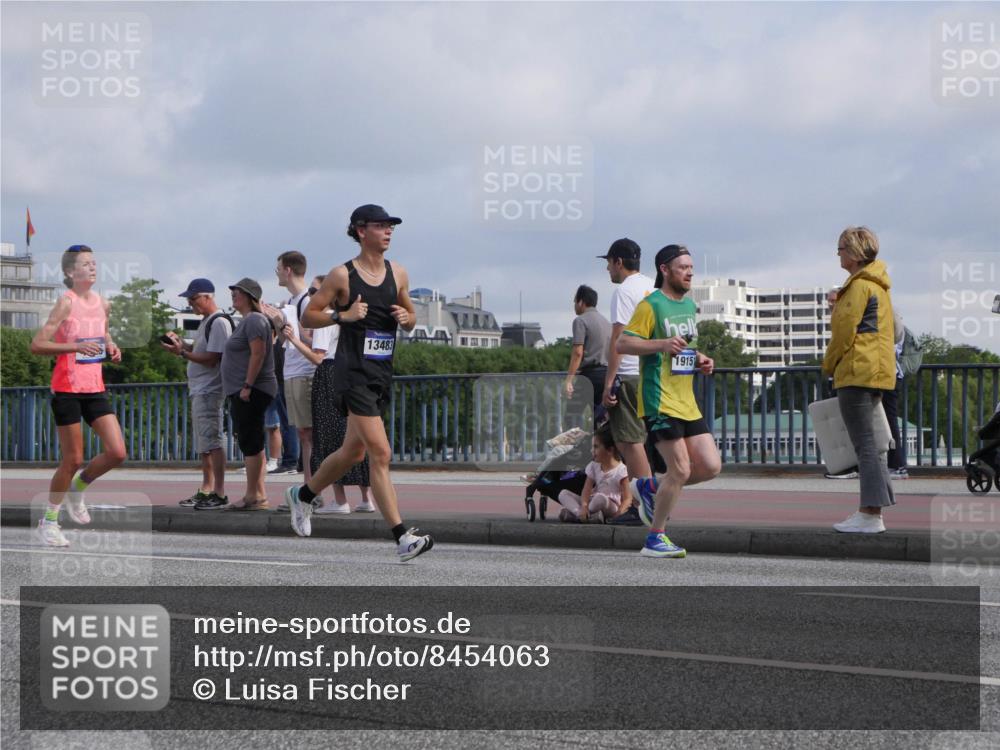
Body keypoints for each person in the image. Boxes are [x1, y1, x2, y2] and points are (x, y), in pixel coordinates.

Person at [287, 204, 433, 561]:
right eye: (381, 225)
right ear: (360, 230)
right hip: (351, 375)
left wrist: (407, 317)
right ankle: (402, 537)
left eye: (391, 226)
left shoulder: (398, 273)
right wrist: (343, 315)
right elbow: (309, 314)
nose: (388, 231)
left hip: (381, 373)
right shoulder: (342, 275)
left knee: (352, 451)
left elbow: (412, 316)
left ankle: (303, 495)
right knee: (380, 453)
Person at [618, 244, 721, 558]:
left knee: (710, 466)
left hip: (685, 399)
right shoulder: (652, 305)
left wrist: (700, 358)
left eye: (691, 267)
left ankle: (649, 487)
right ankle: (655, 537)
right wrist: (661, 343)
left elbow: (682, 348)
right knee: (679, 470)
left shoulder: (688, 307)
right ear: (664, 269)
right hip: (658, 398)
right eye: (683, 267)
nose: (689, 272)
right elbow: (623, 342)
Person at [30, 245, 127, 547]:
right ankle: (49, 521)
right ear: (71, 272)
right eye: (86, 264)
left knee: (117, 452)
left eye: (94, 263)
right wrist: (73, 347)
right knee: (72, 459)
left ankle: (78, 488)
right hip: (67, 389)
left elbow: (103, 334)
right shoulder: (65, 303)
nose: (93, 267)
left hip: (94, 387)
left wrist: (111, 347)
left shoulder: (103, 303)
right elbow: (38, 344)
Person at [822, 226, 897, 533]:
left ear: (853, 253)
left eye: (840, 249)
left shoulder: (858, 287)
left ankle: (869, 513)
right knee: (874, 445)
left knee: (864, 445)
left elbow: (843, 334)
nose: (838, 254)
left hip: (856, 372)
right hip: (877, 371)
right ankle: (875, 509)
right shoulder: (879, 286)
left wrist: (828, 365)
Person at [285, 276, 376, 515]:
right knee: (355, 437)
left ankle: (339, 499)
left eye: (316, 290)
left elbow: (318, 356)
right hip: (352, 373)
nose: (313, 295)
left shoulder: (326, 316)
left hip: (329, 376)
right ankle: (367, 498)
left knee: (328, 437)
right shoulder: (352, 316)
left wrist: (293, 338)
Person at [162, 278, 233, 509]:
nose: (191, 304)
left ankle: (218, 491)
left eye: (193, 299)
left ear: (208, 297)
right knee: (204, 443)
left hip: (210, 389)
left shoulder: (219, 322)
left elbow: (213, 359)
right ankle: (207, 487)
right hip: (200, 389)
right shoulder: (207, 322)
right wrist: (182, 345)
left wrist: (182, 353)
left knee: (212, 441)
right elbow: (202, 351)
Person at [598, 238, 654, 525]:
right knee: (641, 441)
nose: (608, 268)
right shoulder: (652, 287)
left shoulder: (623, 292)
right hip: (651, 373)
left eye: (609, 262)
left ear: (619, 262)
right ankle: (648, 502)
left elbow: (618, 339)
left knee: (628, 441)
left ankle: (646, 505)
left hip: (630, 373)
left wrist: (609, 382)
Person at [220, 278, 277, 510]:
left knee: (250, 440)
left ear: (251, 297)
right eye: (233, 291)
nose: (234, 294)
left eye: (239, 292)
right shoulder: (249, 320)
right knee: (252, 440)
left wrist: (247, 385)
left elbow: (258, 354)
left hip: (251, 389)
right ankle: (259, 494)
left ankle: (252, 495)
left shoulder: (254, 320)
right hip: (247, 388)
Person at [275, 251, 317, 486]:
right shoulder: (292, 302)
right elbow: (285, 341)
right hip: (293, 370)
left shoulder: (306, 301)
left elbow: (311, 340)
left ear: (288, 270)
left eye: (278, 269)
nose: (278, 274)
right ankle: (309, 486)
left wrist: (286, 326)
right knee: (304, 433)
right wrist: (277, 321)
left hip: (304, 371)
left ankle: (312, 489)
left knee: (308, 433)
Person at [557, 425, 630, 524]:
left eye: (596, 447)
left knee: (600, 498)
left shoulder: (621, 470)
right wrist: (584, 506)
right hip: (592, 503)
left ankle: (576, 515)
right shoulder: (593, 466)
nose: (592, 450)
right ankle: (582, 515)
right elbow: (586, 490)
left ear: (610, 450)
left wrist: (619, 514)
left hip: (610, 505)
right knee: (563, 494)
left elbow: (627, 498)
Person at [564, 284, 611, 418]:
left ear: (581, 302)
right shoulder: (606, 322)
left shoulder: (580, 321)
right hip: (606, 374)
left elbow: (578, 352)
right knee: (600, 418)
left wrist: (569, 380)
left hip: (589, 375)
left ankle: (578, 440)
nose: (574, 305)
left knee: (571, 417)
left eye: (575, 301)